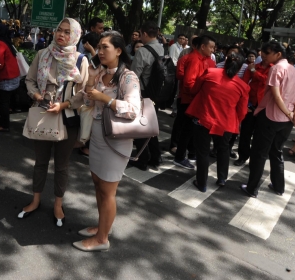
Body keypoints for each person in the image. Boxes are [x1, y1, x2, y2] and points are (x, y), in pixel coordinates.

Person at [73, 31, 140, 252]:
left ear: (119, 50)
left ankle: (102, 239)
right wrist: (91, 81)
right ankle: (102, 227)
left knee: (108, 190)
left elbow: (133, 111)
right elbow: (85, 98)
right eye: (99, 47)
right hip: (98, 136)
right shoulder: (100, 72)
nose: (100, 52)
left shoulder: (128, 77)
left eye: (105, 47)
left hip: (116, 141)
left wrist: (106, 99)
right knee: (98, 185)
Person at [20, 17, 88, 227]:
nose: (62, 34)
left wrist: (64, 104)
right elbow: (29, 80)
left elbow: (83, 92)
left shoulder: (79, 60)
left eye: (68, 32)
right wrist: (36, 96)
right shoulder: (42, 54)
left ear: (75, 35)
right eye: (60, 29)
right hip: (42, 114)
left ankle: (58, 204)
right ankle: (36, 199)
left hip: (67, 119)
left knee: (62, 165)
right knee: (40, 162)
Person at [187, 53, 249, 192]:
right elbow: (242, 111)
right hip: (226, 122)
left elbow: (195, 89)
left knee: (202, 152)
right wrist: (236, 121)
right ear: (240, 69)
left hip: (204, 118)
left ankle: (201, 183)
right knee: (224, 149)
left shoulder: (210, 72)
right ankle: (222, 178)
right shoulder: (243, 86)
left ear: (224, 62)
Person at [241, 42, 295, 198]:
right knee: (276, 151)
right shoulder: (293, 69)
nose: (263, 55)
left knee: (259, 153)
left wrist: (287, 112)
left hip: (271, 117)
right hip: (286, 120)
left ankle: (252, 188)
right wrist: (292, 115)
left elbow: (276, 95)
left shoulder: (276, 68)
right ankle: (279, 186)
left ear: (278, 54)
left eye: (267, 52)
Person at [172, 35, 216, 170]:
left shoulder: (202, 59)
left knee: (190, 130)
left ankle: (189, 154)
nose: (213, 50)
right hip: (189, 100)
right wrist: (200, 95)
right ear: (202, 47)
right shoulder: (194, 60)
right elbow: (188, 83)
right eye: (211, 47)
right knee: (187, 130)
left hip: (193, 99)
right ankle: (179, 157)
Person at [130, 21, 164, 171]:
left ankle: (142, 159)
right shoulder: (163, 48)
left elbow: (134, 76)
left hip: (142, 93)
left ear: (144, 34)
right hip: (157, 93)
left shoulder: (143, 51)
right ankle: (156, 157)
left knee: (140, 127)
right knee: (151, 126)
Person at [234, 48, 273, 166]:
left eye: (267, 54)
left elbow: (267, 81)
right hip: (250, 103)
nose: (265, 57)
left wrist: (255, 73)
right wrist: (245, 103)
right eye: (264, 54)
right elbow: (244, 84)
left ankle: (255, 160)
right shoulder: (252, 66)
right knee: (246, 132)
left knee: (259, 135)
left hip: (264, 106)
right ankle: (243, 156)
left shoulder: (273, 69)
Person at [0, 22, 20, 132]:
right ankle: (3, 122)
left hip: (7, 77)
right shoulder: (6, 41)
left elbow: (0, 64)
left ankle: (4, 125)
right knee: (6, 101)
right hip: (14, 75)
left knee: (3, 102)